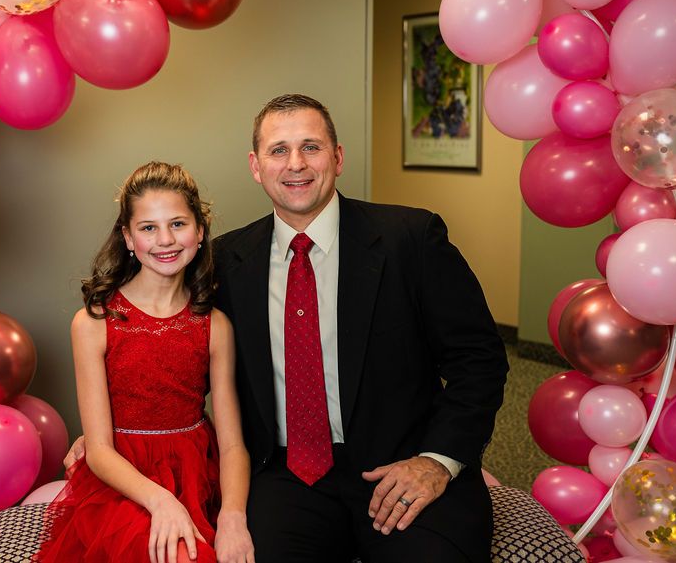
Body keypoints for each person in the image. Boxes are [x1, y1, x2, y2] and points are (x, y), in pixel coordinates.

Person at [211, 94, 509, 562]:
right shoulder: (226, 260)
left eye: (311, 147)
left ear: (338, 157)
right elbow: (180, 354)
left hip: (402, 463)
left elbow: (480, 360)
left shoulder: (411, 238)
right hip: (286, 475)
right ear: (256, 165)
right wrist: (118, 426)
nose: (296, 164)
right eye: (278, 150)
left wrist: (437, 461)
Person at [37, 162, 255, 563]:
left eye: (178, 224)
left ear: (200, 230)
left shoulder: (214, 325)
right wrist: (162, 502)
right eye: (148, 227)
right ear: (128, 237)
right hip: (123, 480)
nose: (165, 240)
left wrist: (233, 517)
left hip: (196, 473)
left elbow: (233, 444)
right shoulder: (94, 322)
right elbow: (99, 449)